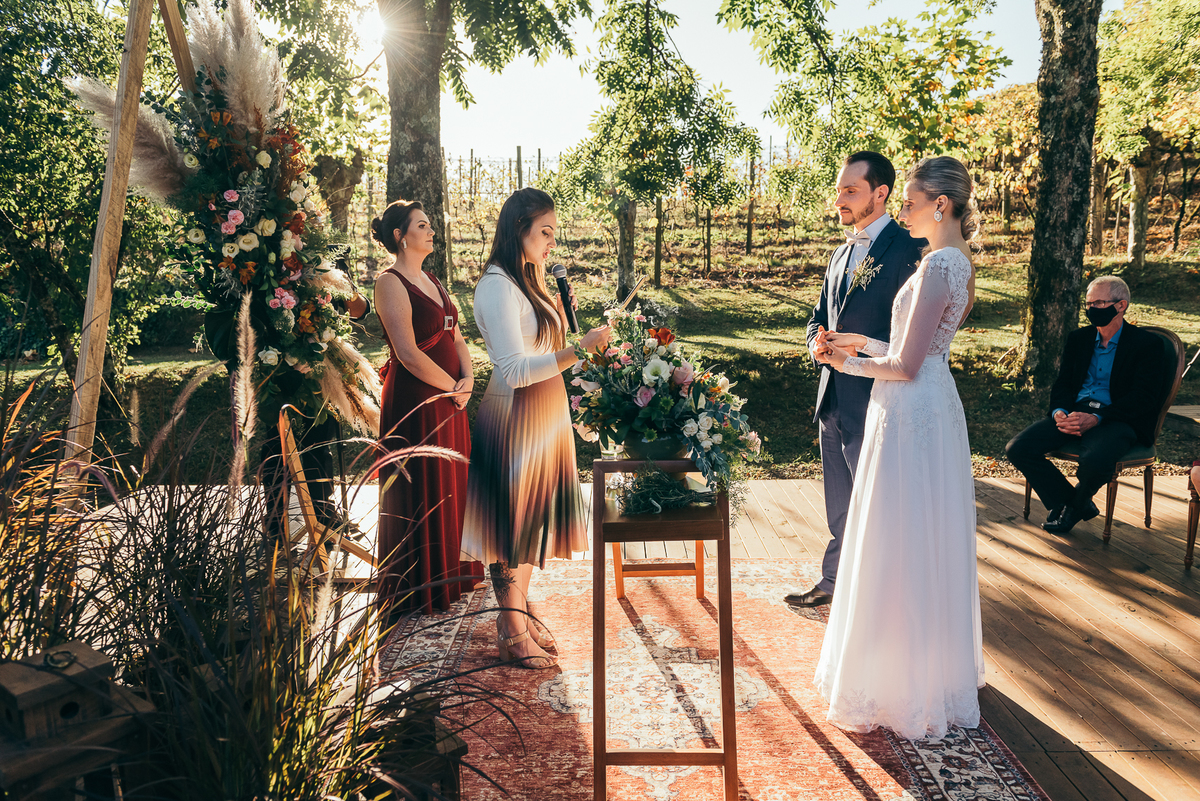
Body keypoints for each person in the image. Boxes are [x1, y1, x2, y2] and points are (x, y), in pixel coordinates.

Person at [812, 155, 983, 740]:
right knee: (912, 529)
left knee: (899, 530)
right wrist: (859, 340)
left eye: (909, 202)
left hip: (912, 407)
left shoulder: (937, 267)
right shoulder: (952, 262)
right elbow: (921, 349)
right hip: (927, 400)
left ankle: (900, 677)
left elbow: (907, 366)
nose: (903, 210)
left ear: (941, 204)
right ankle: (917, 666)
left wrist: (847, 359)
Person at [462, 187, 611, 669]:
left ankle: (519, 616)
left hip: (545, 417)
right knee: (510, 528)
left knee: (529, 527)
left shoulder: (526, 280)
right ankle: (510, 630)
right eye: (544, 232)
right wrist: (580, 350)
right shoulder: (496, 286)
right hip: (516, 417)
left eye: (553, 232)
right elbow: (515, 369)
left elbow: (546, 349)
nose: (551, 242)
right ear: (518, 228)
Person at [785, 151, 924, 608]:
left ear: (880, 194)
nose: (839, 198)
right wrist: (815, 346)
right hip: (833, 395)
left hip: (879, 395)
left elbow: (911, 332)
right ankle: (835, 583)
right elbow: (817, 316)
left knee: (879, 503)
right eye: (840, 189)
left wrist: (857, 349)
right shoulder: (840, 253)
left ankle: (880, 594)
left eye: (851, 190)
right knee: (841, 502)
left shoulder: (909, 250)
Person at [373, 199, 483, 621]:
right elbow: (407, 353)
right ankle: (418, 585)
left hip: (451, 398)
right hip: (417, 401)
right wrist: (452, 387)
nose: (431, 230)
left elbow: (456, 337)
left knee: (451, 481)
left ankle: (454, 572)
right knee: (421, 485)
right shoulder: (389, 282)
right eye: (422, 225)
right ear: (401, 236)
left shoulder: (433, 279)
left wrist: (468, 381)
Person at [1006, 276, 1172, 534]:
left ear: (1121, 305)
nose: (1092, 309)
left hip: (1118, 418)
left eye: (1099, 302)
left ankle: (1072, 508)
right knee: (1018, 447)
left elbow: (1144, 397)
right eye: (1088, 303)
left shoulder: (1147, 345)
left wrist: (1098, 418)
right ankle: (1076, 503)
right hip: (1076, 411)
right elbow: (1063, 384)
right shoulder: (1079, 339)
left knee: (1095, 460)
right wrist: (1059, 412)